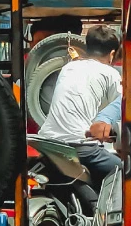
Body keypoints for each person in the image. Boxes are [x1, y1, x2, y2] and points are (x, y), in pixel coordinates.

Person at [37, 25, 123, 183]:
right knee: (123, 171)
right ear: (111, 54)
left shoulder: (68, 67)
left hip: (46, 141)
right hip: (77, 147)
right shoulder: (110, 73)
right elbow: (122, 104)